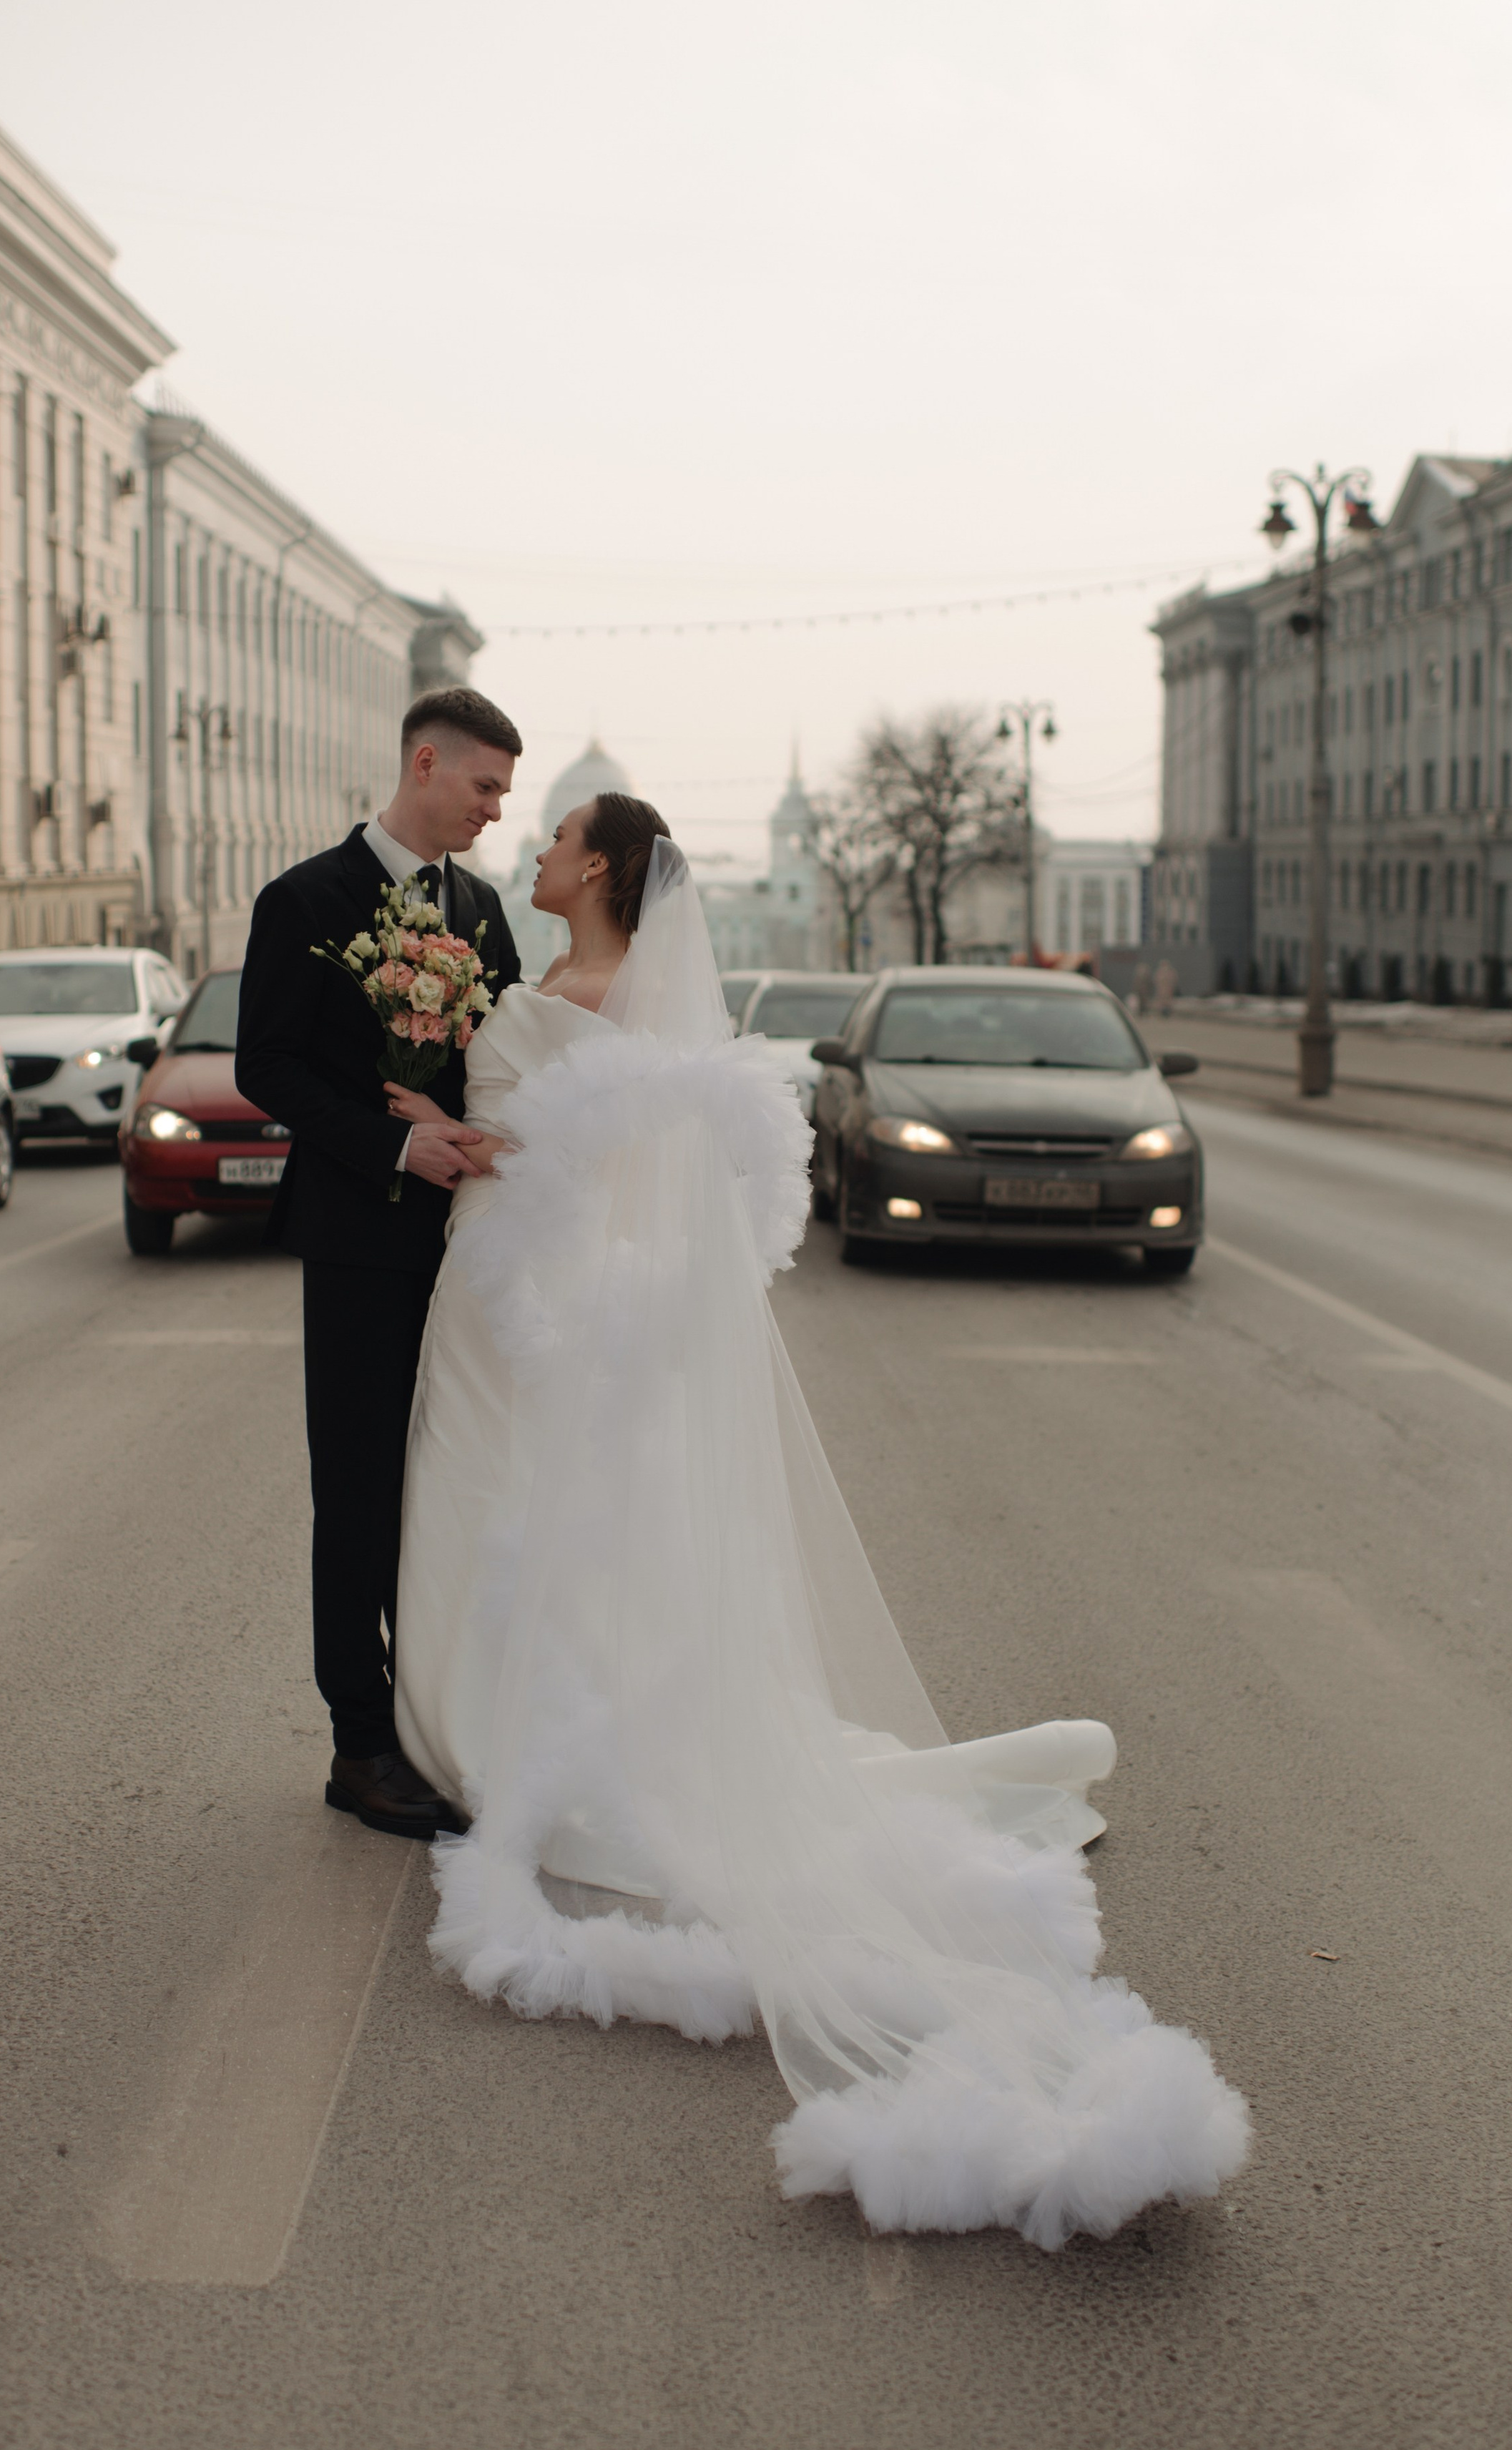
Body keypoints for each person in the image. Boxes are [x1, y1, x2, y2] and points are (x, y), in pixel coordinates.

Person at [387, 793, 1250, 2250]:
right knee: (536, 1509)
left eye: (549, 841)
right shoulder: (626, 1000)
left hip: (505, 1284)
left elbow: (540, 1156)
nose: (527, 856)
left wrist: (438, 1129)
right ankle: (512, 1713)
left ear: (594, 868)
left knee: (488, 1499)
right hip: (548, 1294)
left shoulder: (556, 998)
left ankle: (478, 1730)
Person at [235, 687, 524, 1840]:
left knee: (448, 1485)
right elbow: (269, 1066)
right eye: (484, 787)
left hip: (466, 1246)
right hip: (358, 1239)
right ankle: (359, 1744)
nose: (497, 812)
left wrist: (478, 1127)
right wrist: (393, 1138)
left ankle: (436, 1718)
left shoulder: (484, 909)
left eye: (505, 792)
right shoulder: (306, 899)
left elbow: (494, 1053)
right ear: (424, 763)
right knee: (356, 1489)